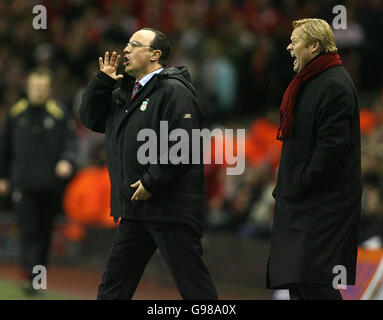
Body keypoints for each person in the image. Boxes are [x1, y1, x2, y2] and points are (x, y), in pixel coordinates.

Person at [79, 27, 217, 300]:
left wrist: (152, 181)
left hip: (169, 208)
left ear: (155, 55)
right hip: (136, 208)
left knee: (193, 286)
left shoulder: (174, 91)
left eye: (135, 45)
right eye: (127, 44)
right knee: (113, 287)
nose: (125, 50)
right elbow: (91, 120)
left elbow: (185, 145)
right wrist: (102, 83)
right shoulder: (125, 92)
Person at [266, 18, 362, 300]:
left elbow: (332, 149)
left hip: (323, 205)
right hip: (303, 201)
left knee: (316, 282)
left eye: (294, 41)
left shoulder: (334, 84)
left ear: (314, 46)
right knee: (298, 281)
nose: (289, 47)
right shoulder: (311, 81)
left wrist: (300, 182)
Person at [0, 68, 77, 295]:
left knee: (44, 233)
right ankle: (29, 277)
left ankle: (38, 278)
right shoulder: (16, 113)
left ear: (49, 89)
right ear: (28, 88)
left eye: (42, 88)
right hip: (22, 183)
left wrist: (66, 161)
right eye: (35, 87)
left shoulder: (59, 114)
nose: (38, 91)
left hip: (50, 185)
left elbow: (70, 144)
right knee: (28, 230)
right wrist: (2, 177)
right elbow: (5, 147)